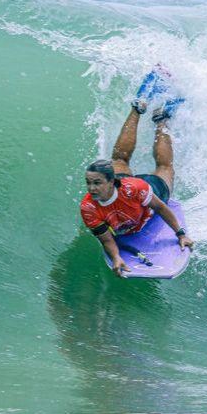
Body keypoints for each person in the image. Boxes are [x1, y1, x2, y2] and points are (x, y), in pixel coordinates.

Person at [80, 69, 194, 277]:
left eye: (96, 183)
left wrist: (180, 234)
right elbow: (106, 239)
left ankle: (161, 119)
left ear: (111, 181)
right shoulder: (88, 206)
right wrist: (116, 258)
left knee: (165, 168)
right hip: (127, 189)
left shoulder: (136, 188)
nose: (91, 188)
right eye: (89, 183)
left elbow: (160, 208)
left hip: (148, 189)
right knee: (119, 160)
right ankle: (138, 107)